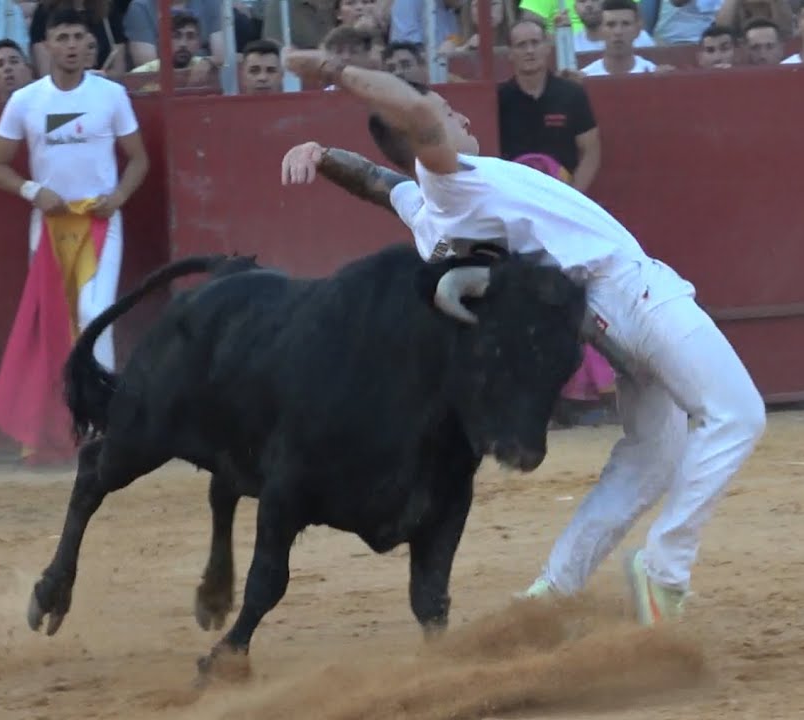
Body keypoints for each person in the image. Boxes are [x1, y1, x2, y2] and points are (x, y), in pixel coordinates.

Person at [278, 52, 767, 625]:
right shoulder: (448, 181)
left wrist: (322, 155)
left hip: (606, 313)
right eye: (442, 111)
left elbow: (377, 182)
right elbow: (407, 117)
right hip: (632, 293)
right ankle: (665, 570)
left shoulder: (428, 208)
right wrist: (334, 68)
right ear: (419, 132)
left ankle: (553, 592)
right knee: (737, 415)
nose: (455, 112)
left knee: (651, 457)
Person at [0, 5, 149, 465]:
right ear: (47, 45)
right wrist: (33, 189)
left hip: (100, 220)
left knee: (95, 314)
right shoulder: (26, 101)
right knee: (55, 321)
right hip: (50, 224)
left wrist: (117, 198)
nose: (72, 45)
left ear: (90, 43)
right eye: (63, 37)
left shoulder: (111, 95)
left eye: (79, 37)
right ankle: (63, 428)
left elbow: (138, 160)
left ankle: (106, 424)